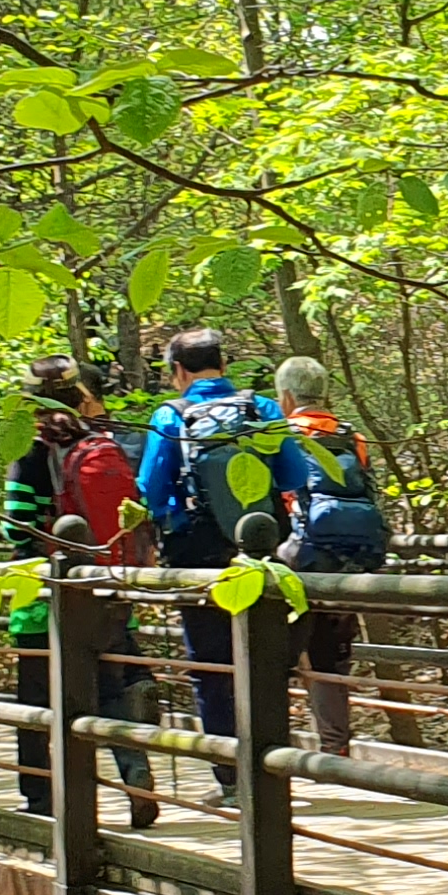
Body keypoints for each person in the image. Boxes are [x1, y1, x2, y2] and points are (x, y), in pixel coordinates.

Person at [136, 329, 314, 788]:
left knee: (212, 666)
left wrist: (172, 520)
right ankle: (272, 765)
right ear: (224, 364)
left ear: (178, 370)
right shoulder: (262, 409)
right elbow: (294, 473)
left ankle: (231, 776)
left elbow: (151, 489)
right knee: (263, 657)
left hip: (197, 553)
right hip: (261, 550)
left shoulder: (170, 415)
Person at [0, 356, 156, 811]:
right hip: (103, 587)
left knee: (36, 700)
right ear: (79, 396)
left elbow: (16, 526)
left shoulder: (29, 451)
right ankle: (133, 770)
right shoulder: (98, 442)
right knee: (109, 689)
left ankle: (40, 796)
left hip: (42, 593)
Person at [273, 356, 383, 757]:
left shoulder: (282, 435)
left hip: (296, 557)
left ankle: (270, 748)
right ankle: (335, 749)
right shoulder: (352, 436)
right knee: (331, 658)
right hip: (349, 559)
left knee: (274, 652)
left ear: (286, 397)